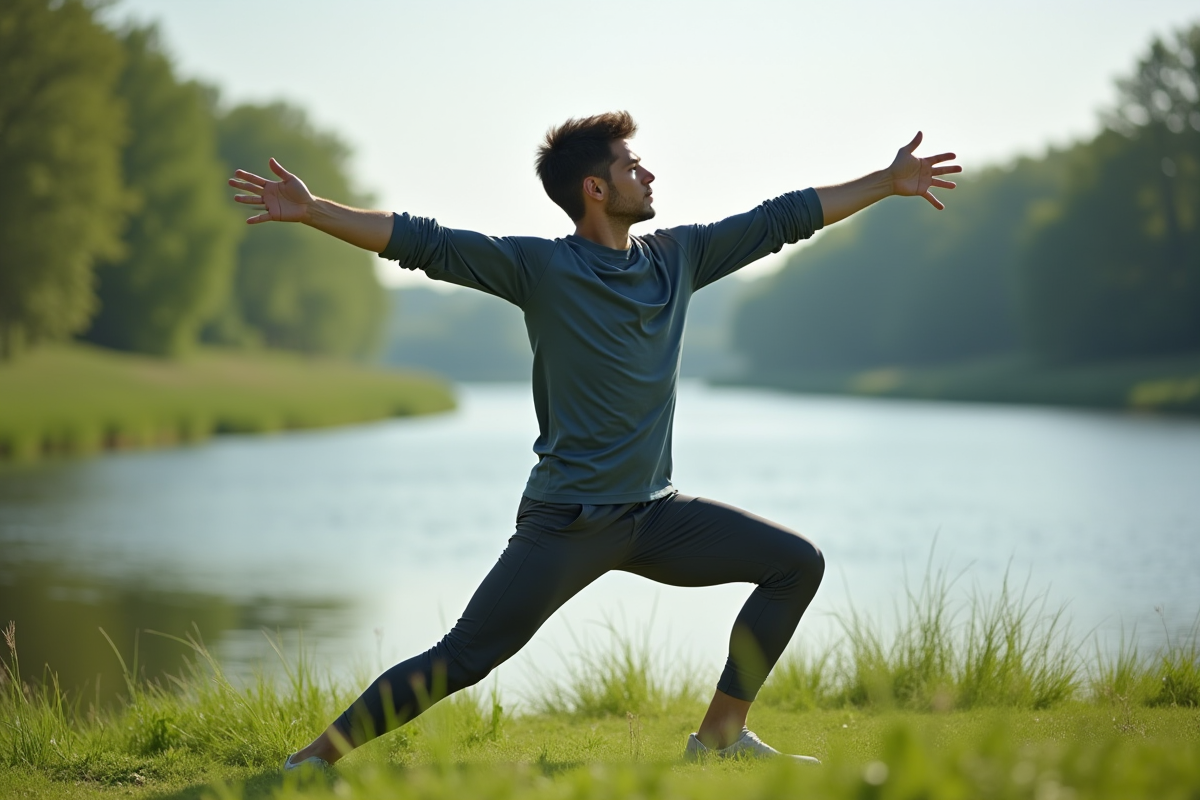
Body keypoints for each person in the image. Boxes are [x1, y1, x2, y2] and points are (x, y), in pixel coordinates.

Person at [228, 112, 959, 768]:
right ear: (595, 190)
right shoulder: (541, 268)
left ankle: (720, 738)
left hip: (657, 514)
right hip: (569, 520)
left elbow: (782, 219)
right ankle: (313, 762)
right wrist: (317, 211)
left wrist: (886, 181)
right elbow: (425, 243)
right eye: (631, 164)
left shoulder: (679, 257)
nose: (648, 172)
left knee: (796, 563)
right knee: (465, 657)